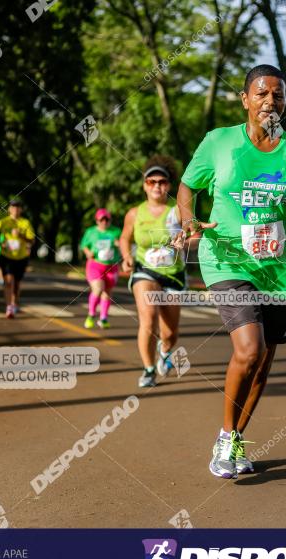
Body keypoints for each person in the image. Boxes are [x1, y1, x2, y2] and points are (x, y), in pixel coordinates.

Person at [174, 64, 286, 479]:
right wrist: (189, 219)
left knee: (263, 360)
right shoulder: (219, 142)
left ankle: (236, 437)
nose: (270, 102)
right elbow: (188, 186)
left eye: (278, 95)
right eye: (262, 94)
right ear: (245, 99)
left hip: (278, 267)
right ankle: (226, 437)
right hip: (226, 258)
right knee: (248, 349)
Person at [119, 156, 186, 388]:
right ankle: (148, 369)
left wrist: (185, 241)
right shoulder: (134, 214)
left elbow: (194, 233)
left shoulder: (177, 211)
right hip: (144, 271)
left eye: (162, 181)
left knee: (170, 334)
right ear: (144, 185)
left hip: (173, 275)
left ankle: (165, 351)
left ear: (168, 186)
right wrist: (127, 257)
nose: (157, 185)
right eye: (151, 181)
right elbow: (125, 239)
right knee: (148, 320)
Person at [0, 198, 35, 319]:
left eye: (18, 207)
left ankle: (14, 302)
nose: (15, 209)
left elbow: (32, 240)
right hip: (6, 256)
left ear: (21, 209)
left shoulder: (25, 223)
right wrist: (0, 244)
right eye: (13, 207)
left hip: (21, 257)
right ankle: (9, 306)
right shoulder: (3, 222)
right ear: (9, 209)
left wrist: (21, 235)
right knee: (9, 281)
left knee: (17, 284)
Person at [81, 208, 121, 329]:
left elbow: (123, 244)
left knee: (107, 293)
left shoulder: (116, 231)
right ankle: (91, 315)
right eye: (101, 220)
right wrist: (88, 252)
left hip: (112, 266)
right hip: (95, 265)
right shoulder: (91, 232)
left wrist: (118, 243)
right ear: (97, 221)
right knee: (98, 289)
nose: (104, 222)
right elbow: (84, 245)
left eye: (107, 219)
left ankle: (103, 318)